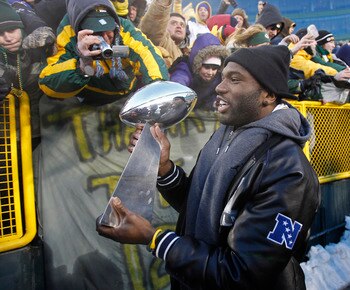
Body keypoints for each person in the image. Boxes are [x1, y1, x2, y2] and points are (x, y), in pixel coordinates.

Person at [96, 45, 321, 289]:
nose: (219, 87)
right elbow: (200, 207)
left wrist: (154, 239)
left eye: (234, 80)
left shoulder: (289, 172)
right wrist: (164, 168)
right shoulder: (227, 134)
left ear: (267, 94)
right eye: (222, 77)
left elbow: (243, 274)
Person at [38, 0, 168, 106]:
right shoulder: (67, 34)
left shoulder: (122, 26)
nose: (105, 39)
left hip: (127, 95)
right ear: (80, 29)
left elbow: (146, 51)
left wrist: (158, 89)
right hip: (90, 104)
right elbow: (47, 83)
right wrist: (82, 64)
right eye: (97, 32)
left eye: (108, 29)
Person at [0, 0, 55, 145]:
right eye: (0, 34)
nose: (7, 38)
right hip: (6, 140)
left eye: (12, 30)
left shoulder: (38, 50)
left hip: (44, 134)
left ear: (22, 29)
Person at [169, 33, 229, 110]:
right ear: (198, 64)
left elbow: (215, 95)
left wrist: (214, 103)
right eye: (206, 67)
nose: (210, 73)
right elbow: (180, 78)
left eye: (214, 68)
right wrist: (178, 93)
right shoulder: (185, 68)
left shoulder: (219, 77)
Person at [139, 0, 189, 67]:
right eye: (174, 23)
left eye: (182, 25)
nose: (179, 26)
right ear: (164, 25)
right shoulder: (161, 40)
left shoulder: (188, 53)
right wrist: (163, 2)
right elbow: (155, 21)